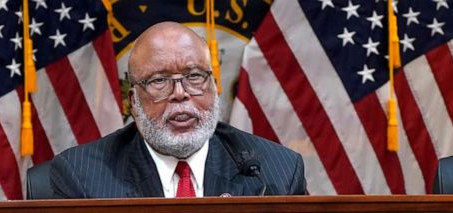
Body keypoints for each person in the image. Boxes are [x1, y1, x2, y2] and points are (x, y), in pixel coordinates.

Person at [50, 22, 307, 198]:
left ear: (214, 86)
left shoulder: (278, 171)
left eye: (194, 76)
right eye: (159, 81)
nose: (180, 93)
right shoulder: (82, 177)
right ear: (134, 100)